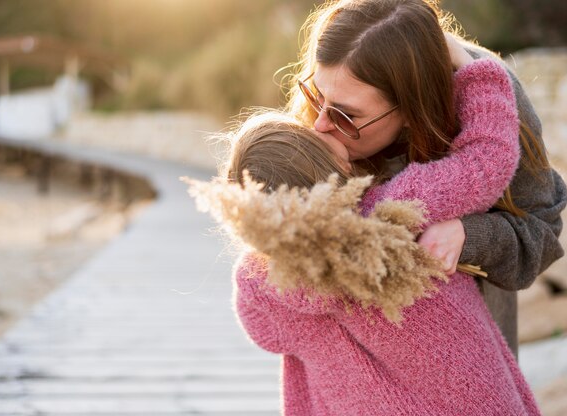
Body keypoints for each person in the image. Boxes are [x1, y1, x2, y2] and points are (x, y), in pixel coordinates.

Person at [187, 53, 540, 413]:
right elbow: (485, 161)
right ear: (325, 164)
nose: (320, 124)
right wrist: (470, 65)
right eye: (309, 135)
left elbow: (264, 330)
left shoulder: (263, 282)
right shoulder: (391, 213)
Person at [285, 0, 567, 356]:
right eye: (316, 93)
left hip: (467, 364)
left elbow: (543, 235)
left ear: (411, 109)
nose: (319, 124)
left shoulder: (494, 101)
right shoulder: (330, 98)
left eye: (346, 115)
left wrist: (468, 236)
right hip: (348, 366)